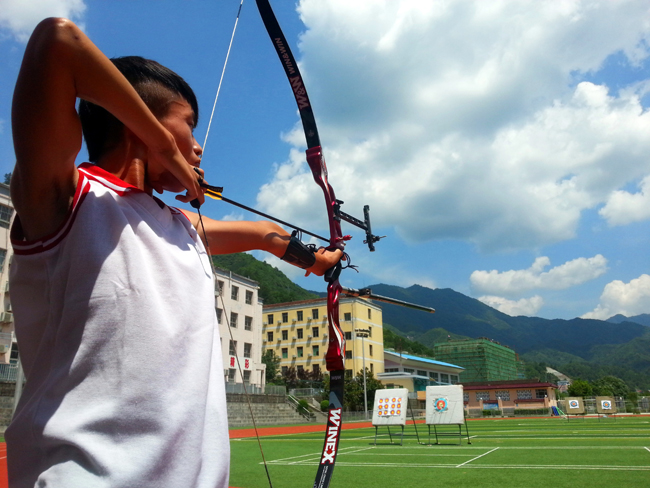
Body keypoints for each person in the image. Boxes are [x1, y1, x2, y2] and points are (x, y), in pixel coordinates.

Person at [8, 17, 341, 488]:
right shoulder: (68, 197)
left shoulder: (181, 225)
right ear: (136, 123)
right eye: (188, 125)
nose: (198, 147)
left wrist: (320, 261)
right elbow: (56, 43)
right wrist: (166, 148)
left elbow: (266, 235)